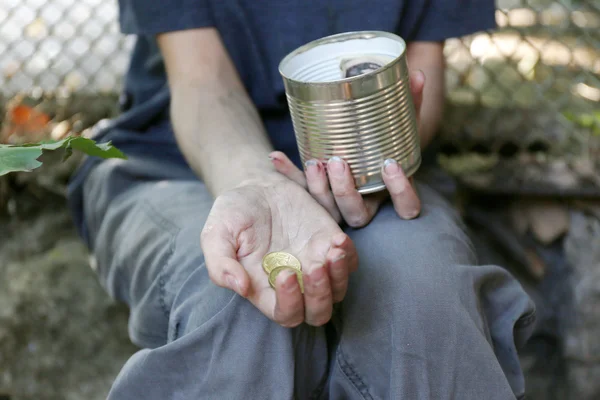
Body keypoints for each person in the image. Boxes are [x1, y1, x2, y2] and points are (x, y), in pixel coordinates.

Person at [67, 1, 536, 399]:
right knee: (240, 304)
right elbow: (202, 81)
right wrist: (257, 185)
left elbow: (421, 74)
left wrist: (376, 166)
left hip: (378, 176)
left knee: (427, 303)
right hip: (182, 161)